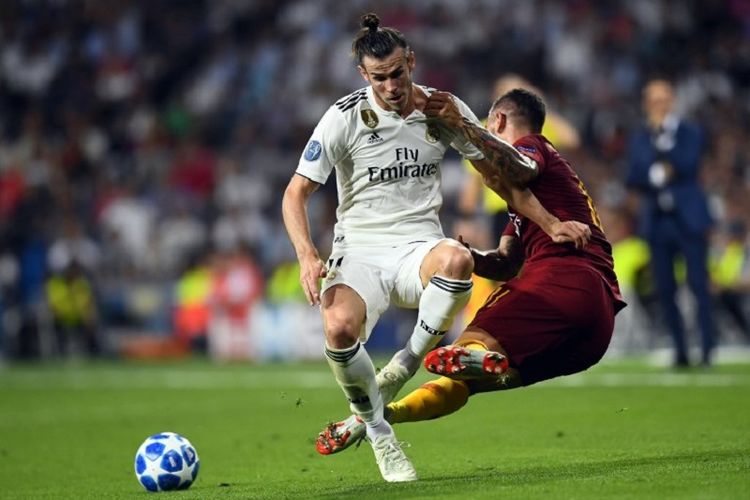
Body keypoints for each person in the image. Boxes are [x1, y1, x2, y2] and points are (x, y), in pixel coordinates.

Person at [282, 14, 589, 483]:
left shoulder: (443, 109)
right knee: (339, 329)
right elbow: (295, 193)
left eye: (397, 74)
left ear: (411, 62)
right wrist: (306, 253)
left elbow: (499, 178)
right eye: (378, 78)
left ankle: (403, 365)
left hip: (417, 244)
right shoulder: (343, 117)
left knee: (458, 257)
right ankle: (381, 435)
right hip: (360, 250)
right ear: (364, 76)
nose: (390, 86)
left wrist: (550, 222)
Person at [315, 87, 625, 453]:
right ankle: (378, 419)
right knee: (462, 379)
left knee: (465, 346)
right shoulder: (542, 199)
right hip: (595, 329)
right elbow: (507, 262)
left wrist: (461, 126)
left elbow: (519, 168)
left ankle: (471, 354)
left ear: (499, 121)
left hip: (567, 281)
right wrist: (467, 256)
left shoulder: (536, 146)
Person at [626, 78, 715, 367]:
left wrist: (661, 142)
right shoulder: (640, 135)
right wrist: (658, 171)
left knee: (698, 283)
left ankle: (707, 347)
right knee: (665, 289)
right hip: (657, 222)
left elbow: (687, 163)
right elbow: (633, 175)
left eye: (662, 100)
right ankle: (680, 350)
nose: (657, 106)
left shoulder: (689, 131)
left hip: (688, 219)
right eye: (652, 101)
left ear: (672, 101)